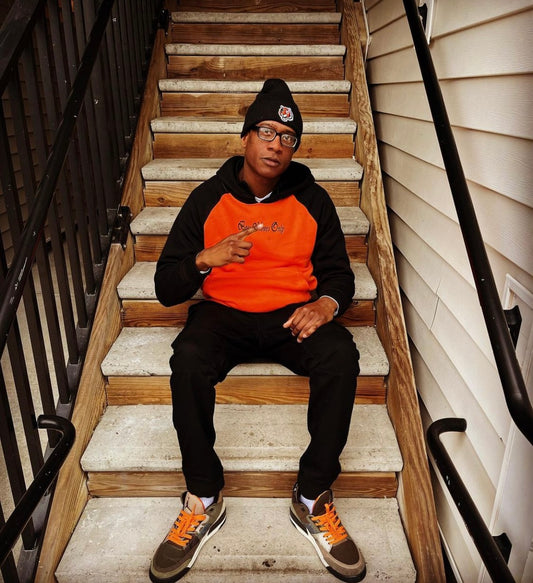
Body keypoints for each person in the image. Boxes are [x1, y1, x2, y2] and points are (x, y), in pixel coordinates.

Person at [149, 79, 366, 583]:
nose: (276, 144)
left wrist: (326, 304)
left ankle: (312, 496)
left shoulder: (313, 200)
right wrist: (205, 259)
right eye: (266, 131)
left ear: (295, 148)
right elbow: (164, 287)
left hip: (291, 315)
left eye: (288, 138)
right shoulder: (208, 199)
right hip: (224, 314)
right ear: (245, 137)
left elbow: (339, 275)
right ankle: (203, 496)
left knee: (341, 357)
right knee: (188, 361)